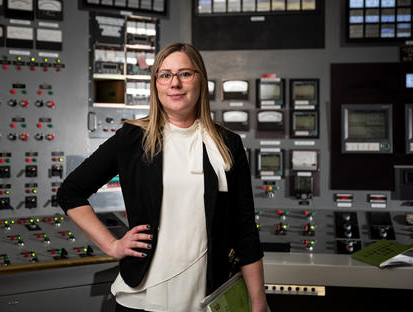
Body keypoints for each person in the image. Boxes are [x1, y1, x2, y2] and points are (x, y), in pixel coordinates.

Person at [57, 43, 268, 312]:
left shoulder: (228, 143)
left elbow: (245, 229)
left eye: (185, 74)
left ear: (201, 80)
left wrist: (258, 302)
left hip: (208, 298)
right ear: (155, 83)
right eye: (165, 75)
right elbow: (70, 192)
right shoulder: (132, 139)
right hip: (142, 297)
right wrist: (111, 244)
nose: (175, 83)